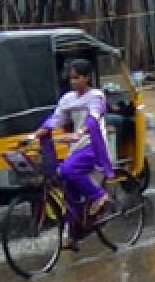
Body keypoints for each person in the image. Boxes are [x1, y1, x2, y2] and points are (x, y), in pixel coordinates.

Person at [35, 58, 114, 250]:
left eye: (77, 78)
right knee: (65, 181)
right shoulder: (67, 99)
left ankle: (98, 195)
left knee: (69, 170)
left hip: (93, 145)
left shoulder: (97, 96)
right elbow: (55, 119)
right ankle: (74, 233)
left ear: (86, 78)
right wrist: (36, 133)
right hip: (76, 147)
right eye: (71, 79)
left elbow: (94, 117)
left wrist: (82, 131)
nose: (73, 82)